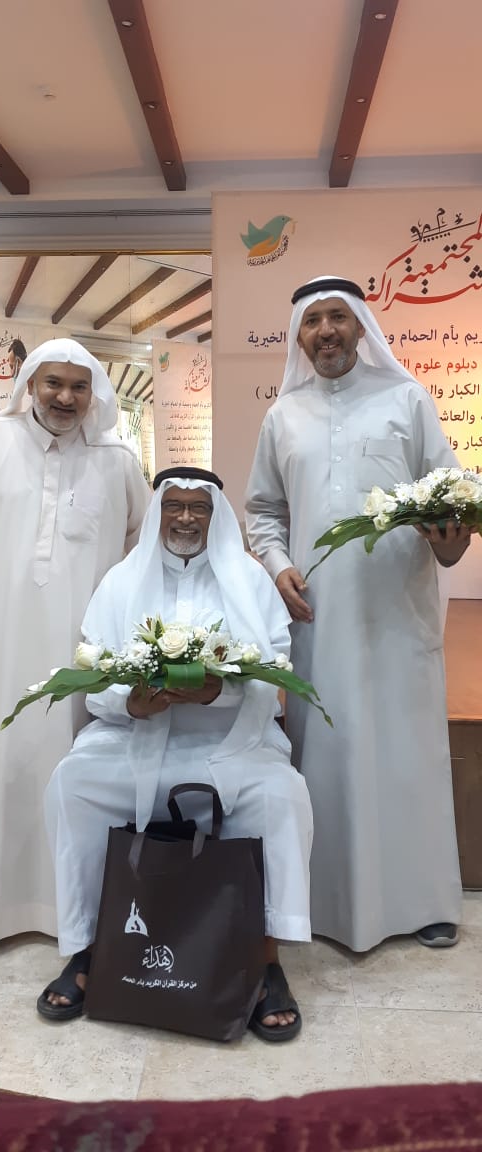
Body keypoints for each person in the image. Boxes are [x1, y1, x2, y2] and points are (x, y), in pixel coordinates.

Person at [39, 466, 313, 1041]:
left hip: (229, 741)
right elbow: (93, 670)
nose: (186, 518)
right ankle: (86, 950)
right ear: (159, 512)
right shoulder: (122, 580)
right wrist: (130, 704)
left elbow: (276, 668)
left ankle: (266, 962)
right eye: (174, 506)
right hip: (134, 738)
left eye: (199, 508)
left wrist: (221, 692)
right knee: (74, 784)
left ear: (216, 516)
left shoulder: (251, 580)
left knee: (282, 794)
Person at [245, 275, 472, 954]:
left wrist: (452, 540)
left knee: (407, 753)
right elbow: (263, 511)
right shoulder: (283, 416)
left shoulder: (407, 399)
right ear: (299, 336)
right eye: (312, 321)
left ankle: (423, 900)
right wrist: (276, 564)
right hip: (318, 617)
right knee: (329, 752)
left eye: (337, 317)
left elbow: (451, 501)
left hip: (397, 612)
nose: (326, 332)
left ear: (361, 326)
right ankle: (322, 903)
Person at [0, 337, 150, 970]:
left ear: (94, 393)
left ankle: (75, 915)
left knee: (74, 773)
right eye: (53, 383)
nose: (65, 397)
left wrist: (133, 638)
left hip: (84, 653)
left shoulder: (117, 460)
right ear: (29, 383)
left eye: (79, 387)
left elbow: (142, 548)